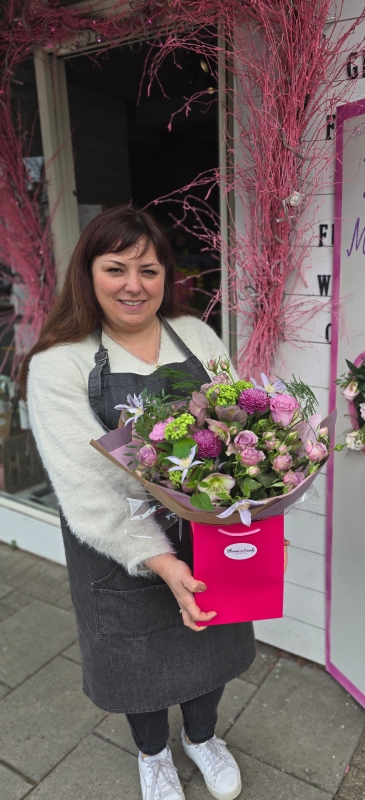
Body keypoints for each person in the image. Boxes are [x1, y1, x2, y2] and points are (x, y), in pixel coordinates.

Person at [22, 207, 256, 800]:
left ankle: (202, 737)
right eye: (116, 268)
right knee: (137, 659)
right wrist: (159, 559)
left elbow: (239, 425)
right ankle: (153, 755)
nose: (134, 284)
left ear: (165, 276)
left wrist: (260, 484)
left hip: (207, 531)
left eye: (148, 270)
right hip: (118, 541)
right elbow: (86, 484)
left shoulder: (198, 337)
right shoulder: (61, 364)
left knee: (210, 638)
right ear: (88, 274)